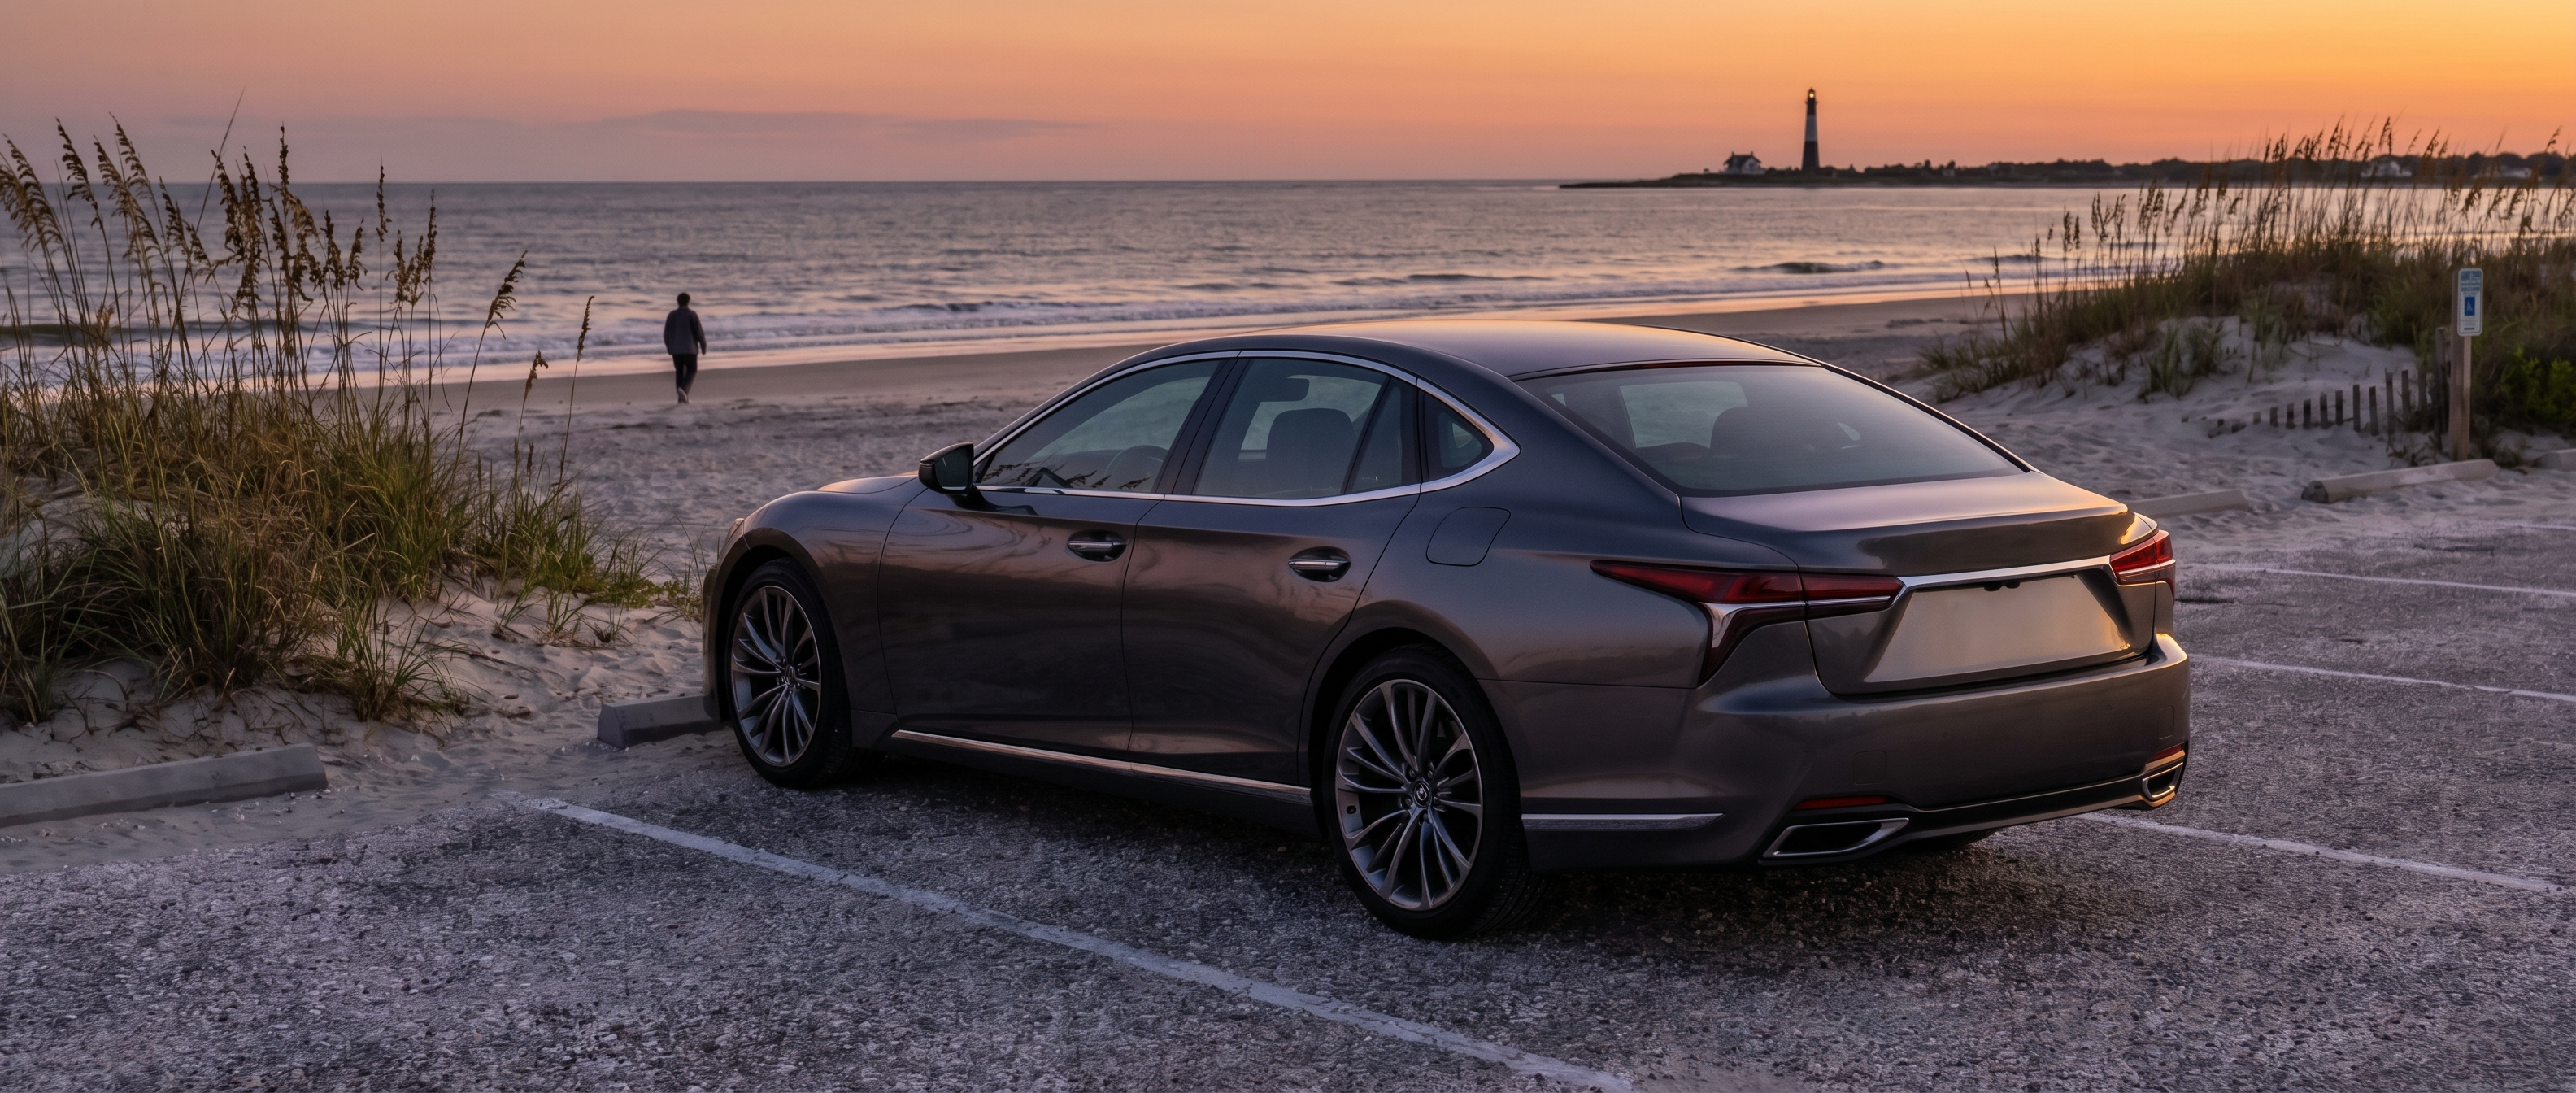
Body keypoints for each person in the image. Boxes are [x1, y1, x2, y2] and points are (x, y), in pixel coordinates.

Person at [664, 292, 707, 403]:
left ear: (677, 302)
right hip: (690, 349)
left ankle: (681, 396)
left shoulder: (672, 315)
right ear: (688, 301)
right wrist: (703, 346)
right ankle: (684, 391)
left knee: (679, 372)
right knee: (692, 370)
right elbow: (699, 332)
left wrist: (669, 347)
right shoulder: (692, 314)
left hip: (676, 350)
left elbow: (666, 334)